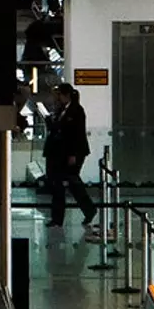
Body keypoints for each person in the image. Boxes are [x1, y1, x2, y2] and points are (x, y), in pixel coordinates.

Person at [44, 83, 97, 231]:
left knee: (69, 182)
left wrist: (73, 154)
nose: (56, 98)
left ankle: (82, 211)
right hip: (59, 153)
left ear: (66, 95)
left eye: (59, 95)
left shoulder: (77, 111)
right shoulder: (61, 110)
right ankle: (61, 217)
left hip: (71, 153)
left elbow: (76, 134)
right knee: (65, 184)